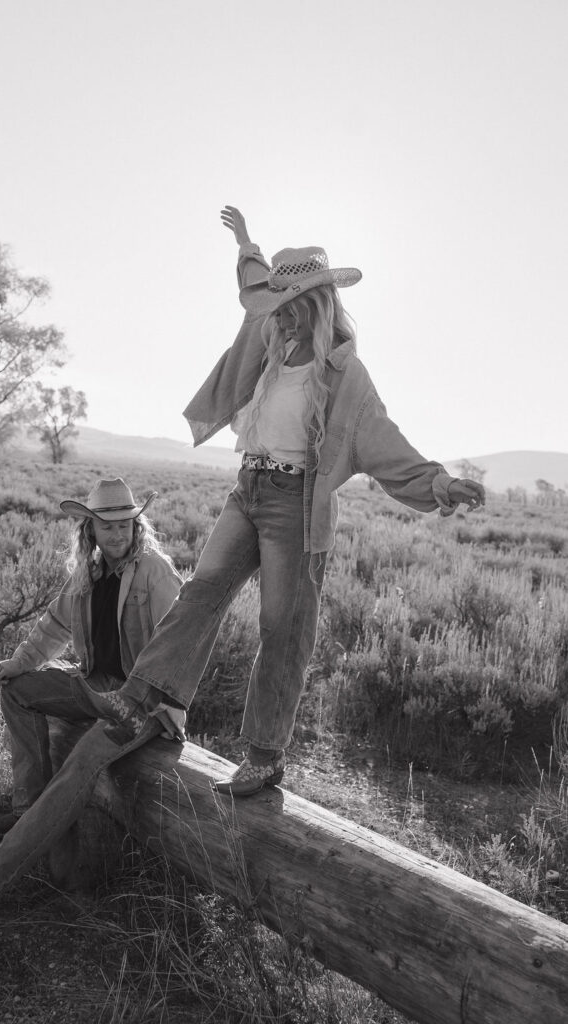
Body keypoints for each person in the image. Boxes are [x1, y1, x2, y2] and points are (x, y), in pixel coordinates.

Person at [71, 206, 486, 797]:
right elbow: (253, 286)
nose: (281, 312)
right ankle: (138, 701)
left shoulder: (344, 373)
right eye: (279, 302)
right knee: (201, 594)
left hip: (295, 502)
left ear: (316, 304)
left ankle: (265, 757)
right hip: (249, 488)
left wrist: (441, 484)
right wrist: (245, 241)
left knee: (281, 625)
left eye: (291, 304)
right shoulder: (269, 344)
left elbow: (383, 439)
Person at [0, 477, 183, 928]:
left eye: (125, 525)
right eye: (106, 526)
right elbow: (55, 623)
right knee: (18, 690)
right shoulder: (88, 571)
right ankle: (27, 812)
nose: (117, 534)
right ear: (90, 529)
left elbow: (180, 643)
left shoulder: (154, 571)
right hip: (94, 686)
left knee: (78, 761)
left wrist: (148, 699)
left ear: (137, 525)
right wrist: (18, 662)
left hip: (140, 700)